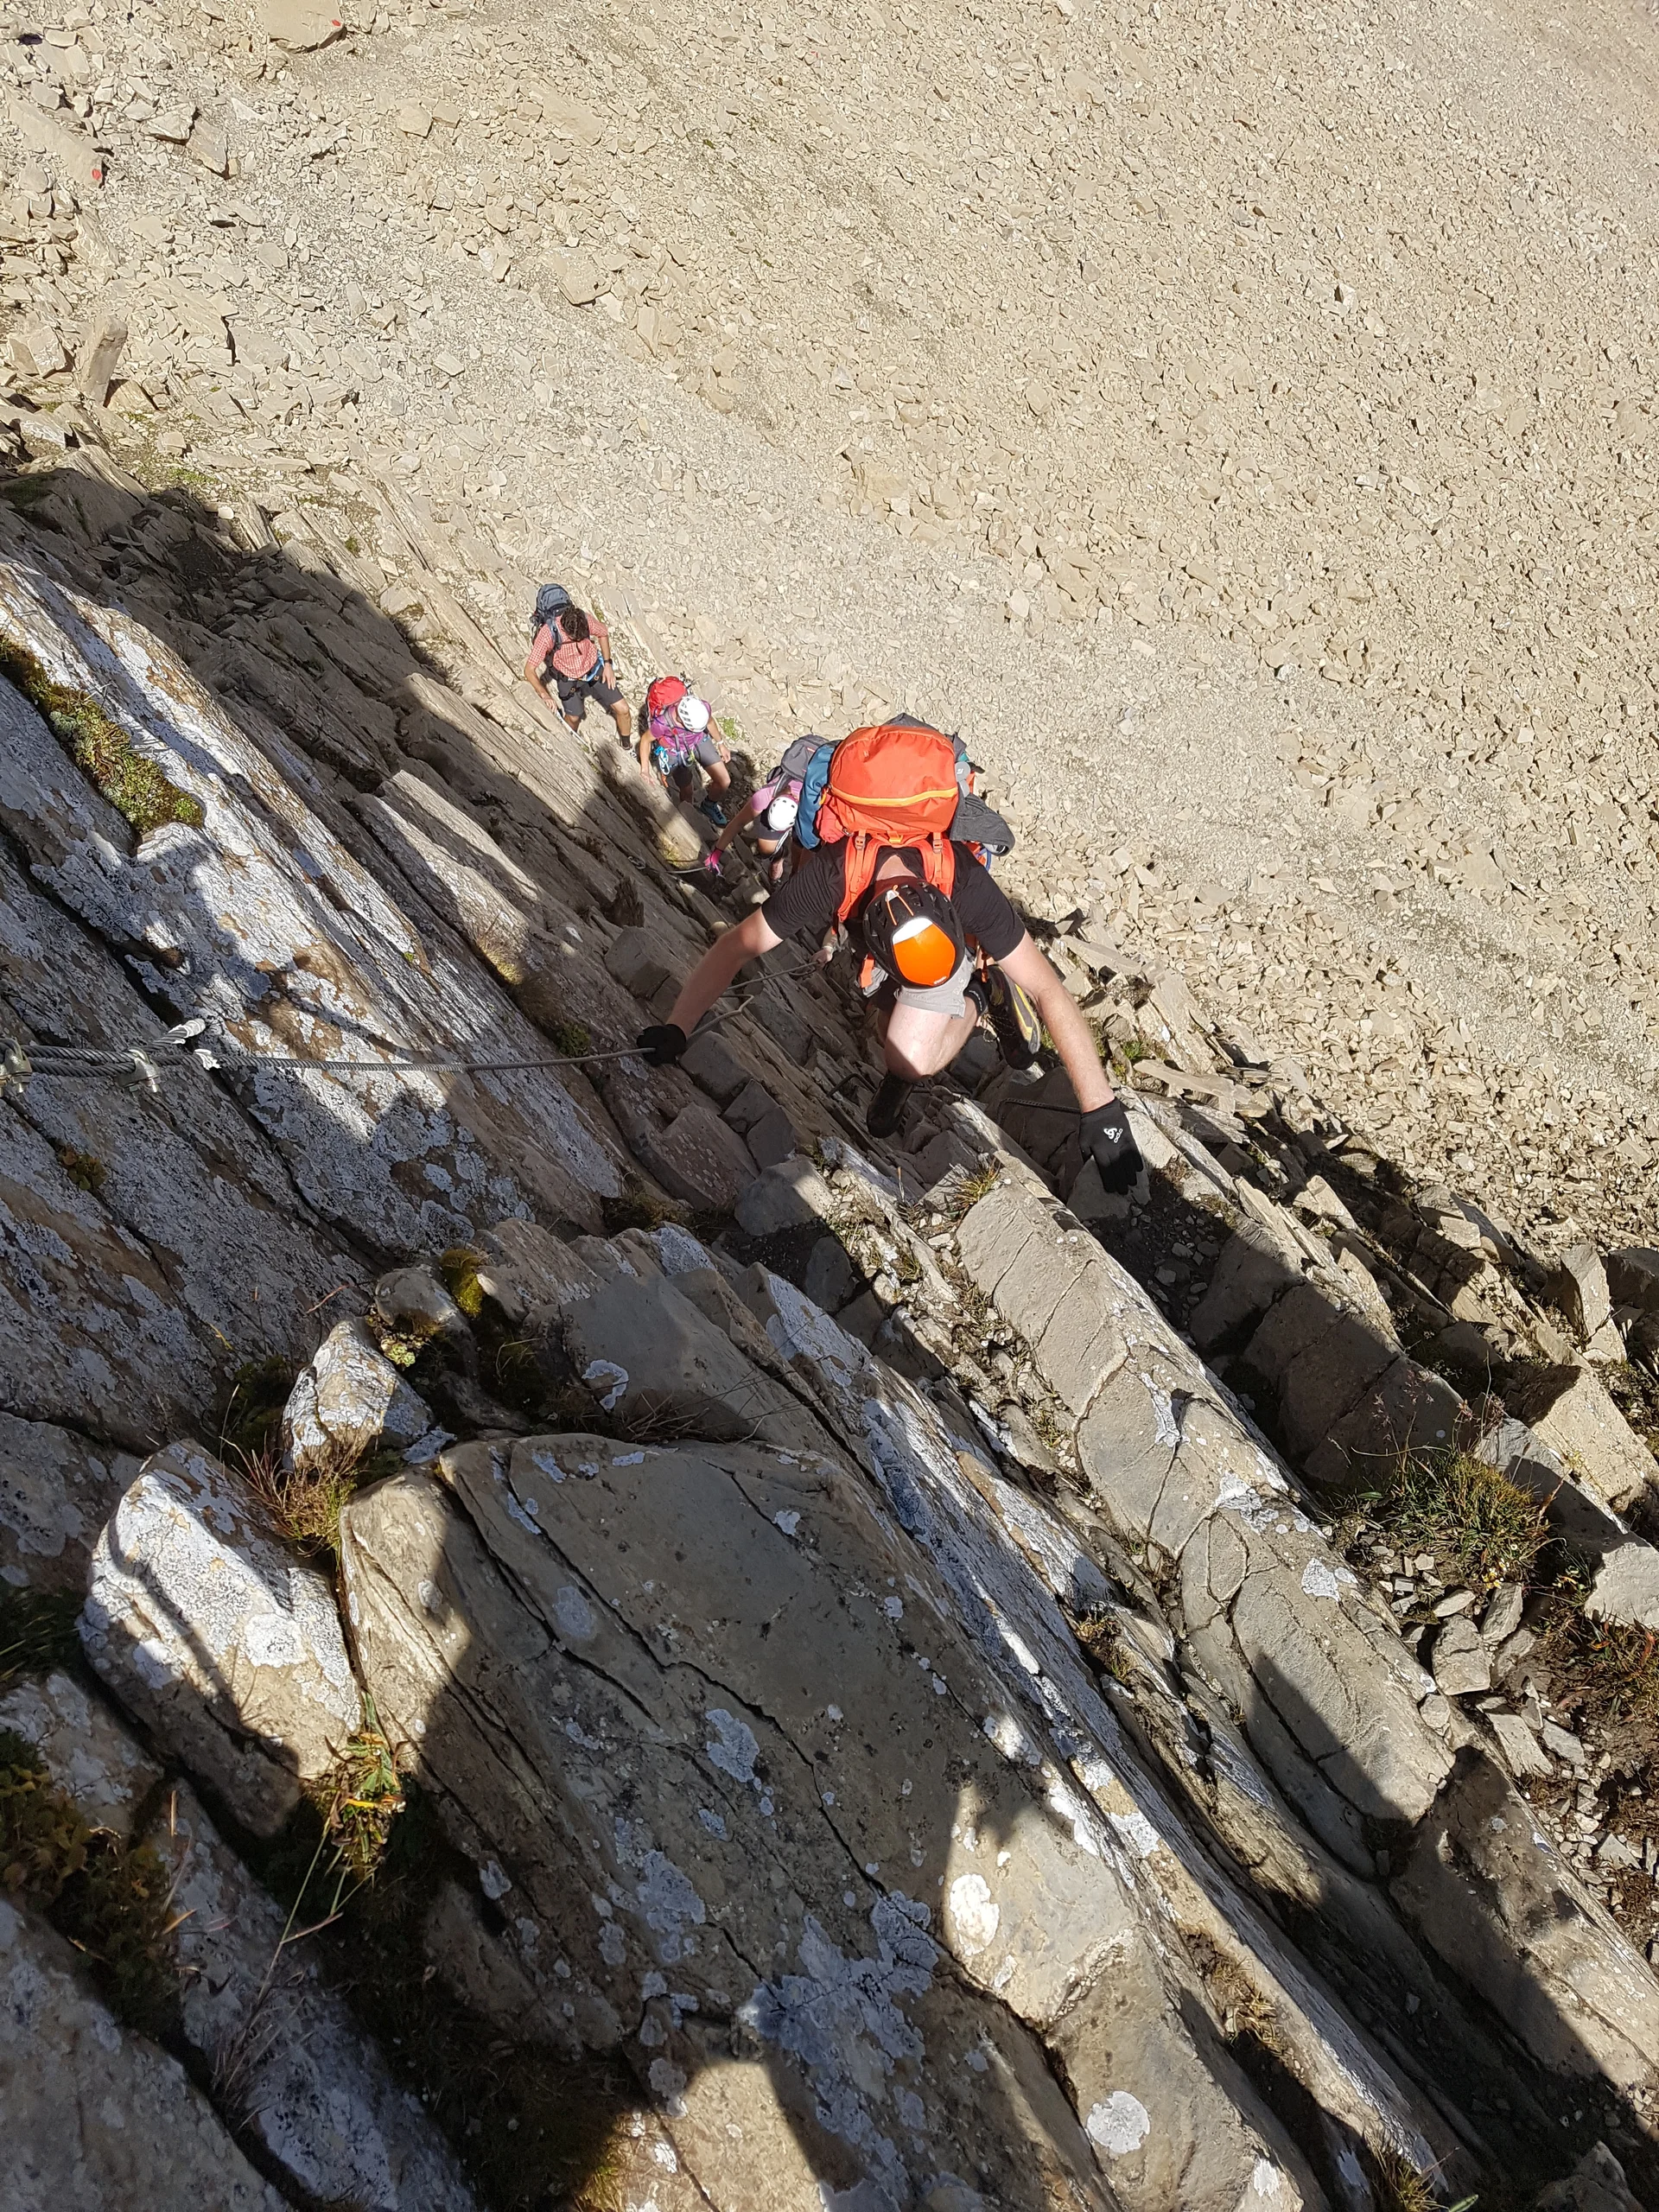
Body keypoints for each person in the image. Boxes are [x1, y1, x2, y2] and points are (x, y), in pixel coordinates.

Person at [635, 818, 1145, 1191]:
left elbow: (1047, 988)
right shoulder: (831, 877)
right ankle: (899, 1066)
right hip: (873, 944)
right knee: (885, 1028)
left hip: (941, 960)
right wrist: (677, 1027)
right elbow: (736, 946)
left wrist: (1102, 1110)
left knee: (908, 1055)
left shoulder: (964, 881)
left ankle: (975, 993)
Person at [702, 734, 818, 883]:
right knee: (766, 850)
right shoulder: (766, 795)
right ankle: (779, 856)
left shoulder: (814, 806)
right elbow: (738, 822)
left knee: (801, 848)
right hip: (788, 804)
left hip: (806, 811)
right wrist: (716, 853)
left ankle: (792, 879)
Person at [524, 603, 632, 741]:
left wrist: (608, 664)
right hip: (567, 677)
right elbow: (529, 669)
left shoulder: (584, 620)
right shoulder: (549, 633)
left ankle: (627, 745)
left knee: (623, 709)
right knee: (574, 717)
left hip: (593, 669)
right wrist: (544, 694)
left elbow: (603, 633)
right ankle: (569, 742)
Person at [639, 675, 732, 823]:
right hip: (674, 750)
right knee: (687, 791)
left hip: (698, 740)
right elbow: (645, 740)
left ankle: (709, 806)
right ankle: (688, 821)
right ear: (682, 721)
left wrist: (721, 743)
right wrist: (645, 770)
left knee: (724, 781)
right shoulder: (663, 724)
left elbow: (709, 722)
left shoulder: (701, 708)